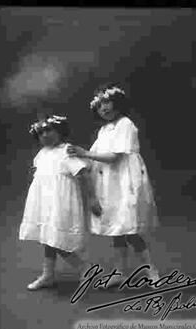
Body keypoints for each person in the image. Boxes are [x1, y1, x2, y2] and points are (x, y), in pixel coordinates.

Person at [67, 83, 159, 283]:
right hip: (109, 183)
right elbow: (92, 158)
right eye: (99, 106)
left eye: (107, 102)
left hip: (125, 181)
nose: (104, 108)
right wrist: (75, 157)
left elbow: (113, 158)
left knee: (130, 229)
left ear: (117, 103)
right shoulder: (104, 130)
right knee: (116, 229)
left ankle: (152, 270)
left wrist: (85, 152)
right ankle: (120, 272)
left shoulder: (125, 124)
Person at [19, 114, 101, 290]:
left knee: (58, 240)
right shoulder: (42, 154)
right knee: (47, 239)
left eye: (49, 130)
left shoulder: (67, 151)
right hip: (44, 203)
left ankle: (86, 269)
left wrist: (92, 199)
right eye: (41, 133)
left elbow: (83, 174)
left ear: (60, 131)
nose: (45, 135)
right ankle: (48, 275)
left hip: (61, 204)